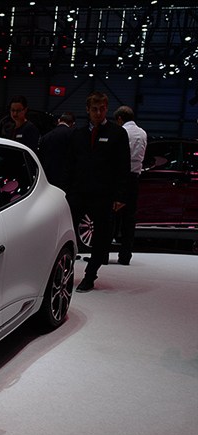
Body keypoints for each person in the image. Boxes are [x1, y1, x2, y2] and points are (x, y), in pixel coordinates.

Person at [65, 91, 130, 292]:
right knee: (67, 233)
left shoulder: (118, 134)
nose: (98, 113)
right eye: (94, 109)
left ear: (106, 109)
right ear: (87, 110)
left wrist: (121, 195)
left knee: (102, 237)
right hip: (78, 193)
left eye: (102, 109)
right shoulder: (77, 134)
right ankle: (65, 271)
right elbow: (70, 165)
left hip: (104, 194)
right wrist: (66, 192)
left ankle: (90, 275)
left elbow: (123, 166)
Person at [113, 105, 148, 265]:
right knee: (130, 218)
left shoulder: (121, 132)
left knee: (112, 215)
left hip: (120, 177)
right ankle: (125, 256)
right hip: (134, 178)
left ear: (120, 119)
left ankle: (103, 254)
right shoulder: (143, 133)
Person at [37, 112, 75, 189]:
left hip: (48, 178)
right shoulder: (73, 135)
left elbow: (40, 158)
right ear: (72, 124)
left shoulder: (45, 137)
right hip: (66, 179)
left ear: (59, 121)